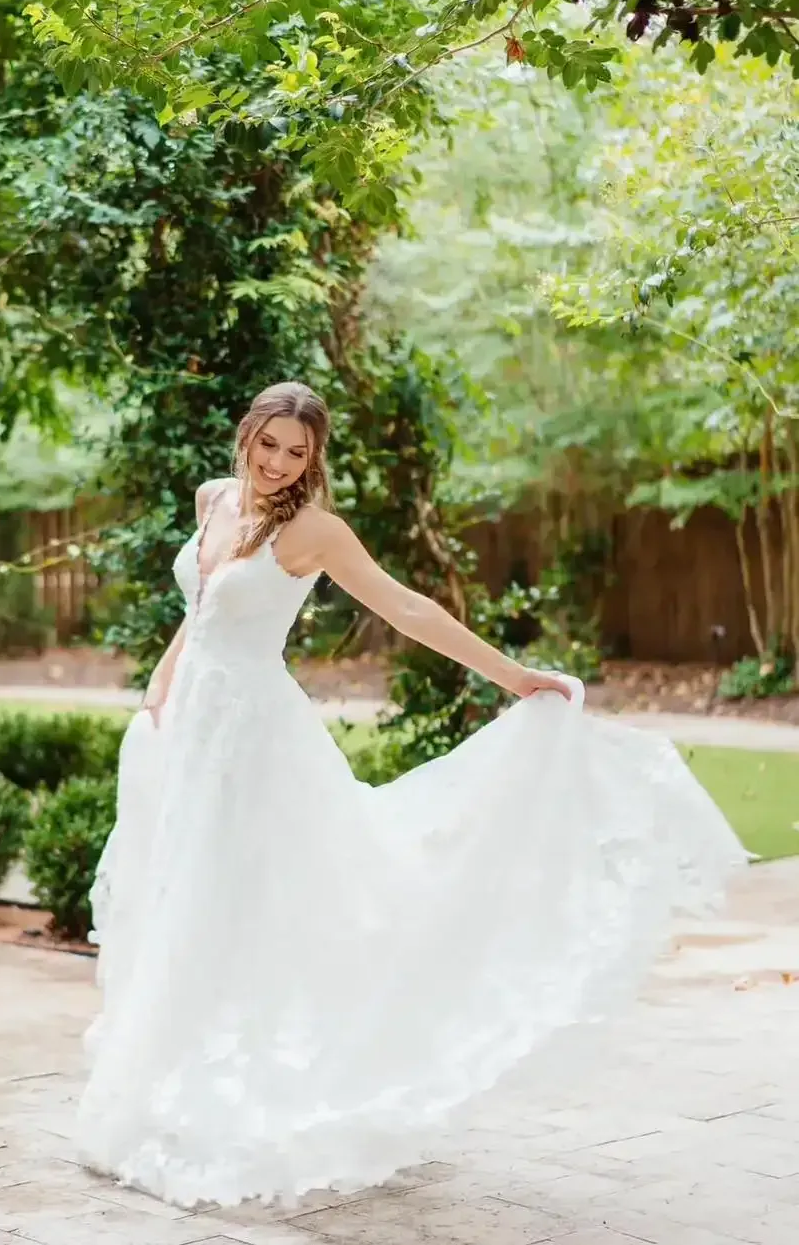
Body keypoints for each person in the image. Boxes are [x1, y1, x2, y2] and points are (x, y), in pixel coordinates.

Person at [75, 380, 745, 1210]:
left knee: (258, 901)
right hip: (193, 735)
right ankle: (166, 1085)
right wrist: (162, 679)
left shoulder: (315, 530)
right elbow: (202, 607)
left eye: (298, 452)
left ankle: (250, 1095)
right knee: (188, 901)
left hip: (256, 739)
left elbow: (405, 605)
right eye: (270, 443)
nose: (279, 463)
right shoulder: (214, 500)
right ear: (246, 433)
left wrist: (513, 675)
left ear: (314, 460)